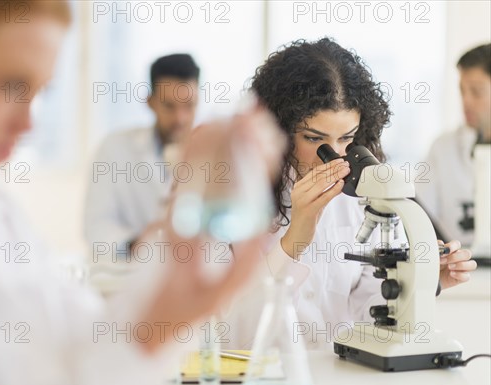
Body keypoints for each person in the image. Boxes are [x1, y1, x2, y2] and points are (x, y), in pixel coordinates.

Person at [0, 2, 282, 385]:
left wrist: (174, 305)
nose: (28, 123)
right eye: (11, 85)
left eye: (40, 92)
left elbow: (91, 349)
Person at [222, 38, 477, 350]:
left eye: (347, 138)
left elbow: (367, 311)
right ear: (278, 128)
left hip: (343, 374)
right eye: (314, 138)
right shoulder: (235, 195)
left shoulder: (366, 193)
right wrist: (295, 238)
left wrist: (421, 283)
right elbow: (235, 329)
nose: (335, 155)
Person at [85, 54, 200, 261]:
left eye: (189, 106)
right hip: (132, 275)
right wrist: (139, 245)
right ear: (150, 102)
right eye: (169, 106)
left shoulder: (216, 155)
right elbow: (95, 226)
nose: (180, 118)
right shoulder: (114, 148)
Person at [417, 44, 491, 247]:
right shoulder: (443, 148)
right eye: (462, 90)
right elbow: (419, 217)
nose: (465, 101)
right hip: (458, 268)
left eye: (476, 92)